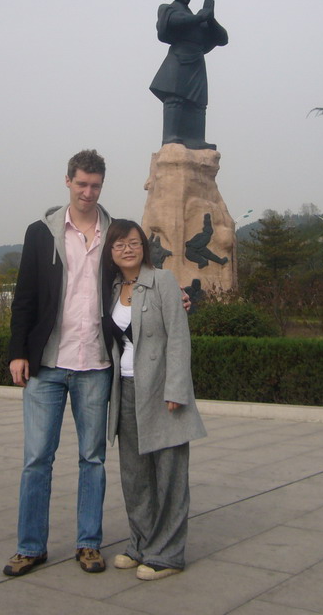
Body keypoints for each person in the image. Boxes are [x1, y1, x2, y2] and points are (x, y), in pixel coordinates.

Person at [4, 149, 112, 577]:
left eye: (96, 185)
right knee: (36, 459)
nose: (88, 192)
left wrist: (173, 295)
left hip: (95, 364)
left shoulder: (114, 231)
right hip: (47, 364)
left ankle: (89, 543)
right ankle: (31, 546)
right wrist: (17, 351)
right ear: (67, 181)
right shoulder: (41, 233)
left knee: (93, 459)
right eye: (82, 183)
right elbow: (24, 296)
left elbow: (140, 276)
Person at [101, 219, 207, 581]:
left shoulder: (162, 280)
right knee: (135, 475)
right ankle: (141, 543)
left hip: (161, 391)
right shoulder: (113, 287)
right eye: (119, 245)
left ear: (144, 246)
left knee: (170, 475)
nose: (127, 249)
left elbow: (179, 338)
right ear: (111, 253)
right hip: (126, 391)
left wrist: (176, 389)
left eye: (133, 242)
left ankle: (168, 553)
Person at [149, 0, 229, 150]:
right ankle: (170, 137)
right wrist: (201, 16)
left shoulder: (198, 18)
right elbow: (175, 21)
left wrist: (210, 17)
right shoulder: (168, 9)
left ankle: (196, 138)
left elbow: (223, 38)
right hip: (179, 57)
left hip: (197, 60)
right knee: (175, 99)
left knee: (199, 103)